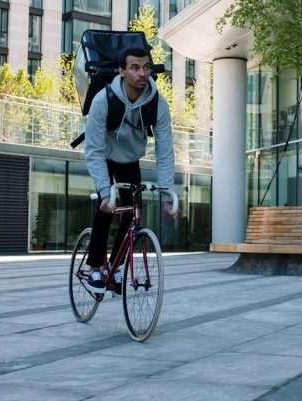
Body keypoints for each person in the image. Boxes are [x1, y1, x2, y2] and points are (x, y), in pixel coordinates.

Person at [82, 47, 178, 294]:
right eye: (135, 67)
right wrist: (105, 192)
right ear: (122, 71)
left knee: (133, 213)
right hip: (104, 156)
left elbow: (165, 150)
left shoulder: (157, 103)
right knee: (108, 206)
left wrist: (167, 195)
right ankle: (94, 266)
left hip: (130, 159)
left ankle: (115, 269)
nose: (142, 73)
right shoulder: (103, 100)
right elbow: (92, 149)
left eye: (146, 67)